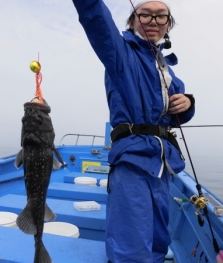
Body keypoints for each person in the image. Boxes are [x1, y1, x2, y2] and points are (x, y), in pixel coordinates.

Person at [71, 0, 195, 262]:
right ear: (131, 22)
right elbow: (94, 16)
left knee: (159, 237)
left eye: (161, 17)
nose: (152, 21)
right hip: (132, 159)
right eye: (144, 15)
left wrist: (187, 104)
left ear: (168, 25)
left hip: (162, 165)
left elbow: (176, 117)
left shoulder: (169, 72)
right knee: (132, 243)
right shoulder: (119, 52)